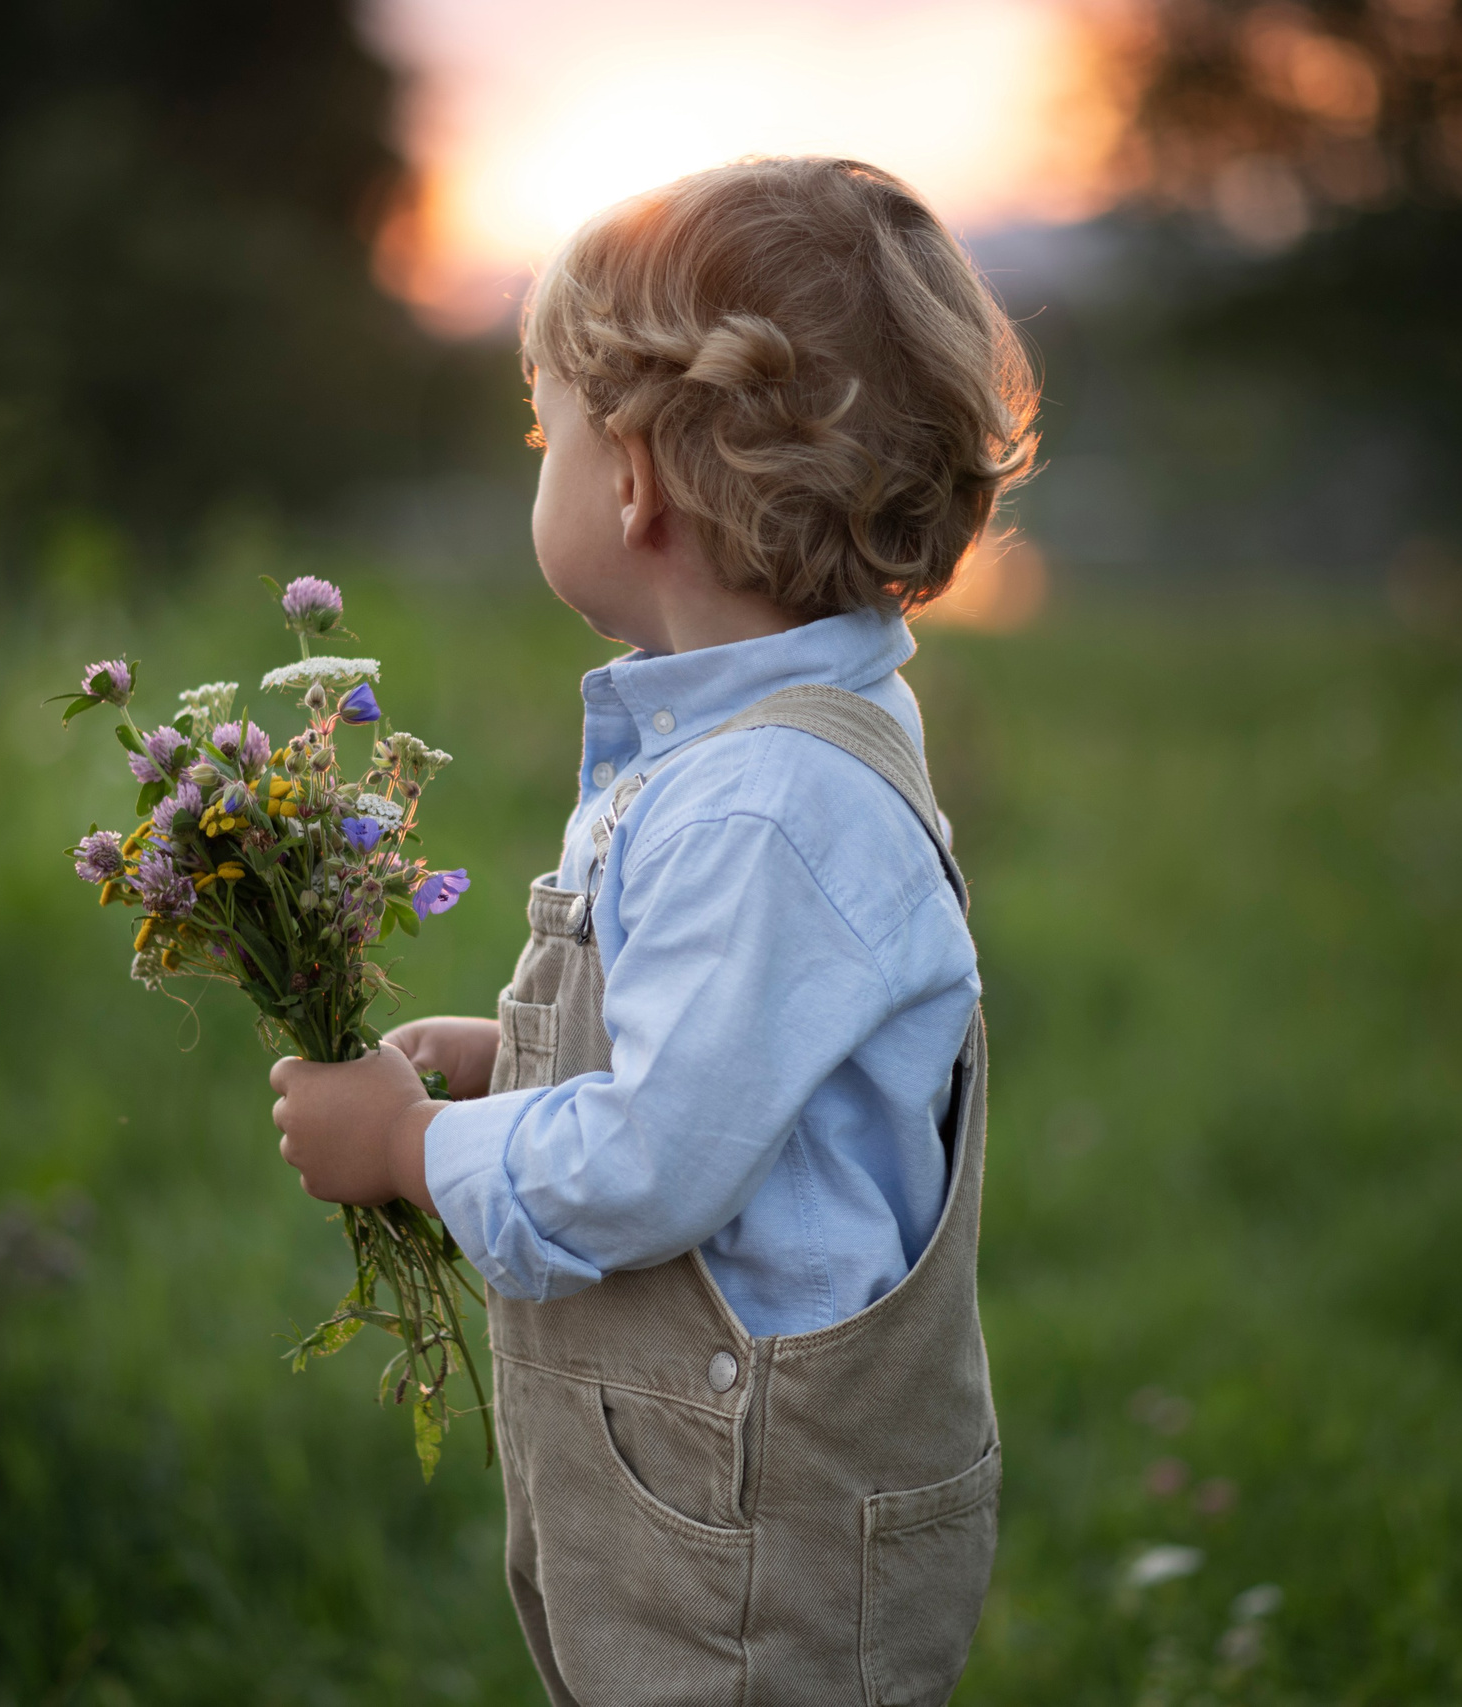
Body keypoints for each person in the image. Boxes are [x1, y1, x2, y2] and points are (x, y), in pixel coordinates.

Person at [269, 155, 1038, 1707]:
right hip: (712, 1510)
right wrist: (515, 1063)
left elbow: (653, 1163)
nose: (536, 466)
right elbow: (741, 1078)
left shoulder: (758, 805)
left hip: (756, 1563)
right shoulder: (762, 753)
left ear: (633, 484)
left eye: (543, 432)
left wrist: (413, 1152)